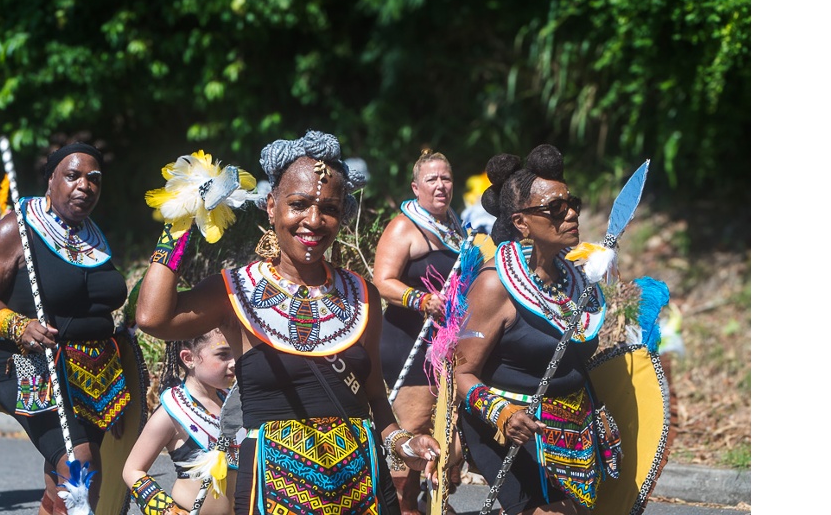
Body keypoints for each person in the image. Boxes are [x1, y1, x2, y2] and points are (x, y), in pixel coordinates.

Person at [136, 130, 441, 515]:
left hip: (361, 485)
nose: (313, 221)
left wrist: (402, 443)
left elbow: (374, 397)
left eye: (329, 208)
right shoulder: (236, 291)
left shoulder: (362, 295)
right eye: (298, 204)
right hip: (273, 488)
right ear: (271, 206)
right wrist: (178, 225)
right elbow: (153, 317)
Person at [0, 142, 133, 515]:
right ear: (51, 180)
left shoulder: (93, 237)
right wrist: (17, 324)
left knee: (62, 477)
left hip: (93, 374)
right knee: (81, 469)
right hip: (30, 366)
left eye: (94, 179)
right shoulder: (17, 229)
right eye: (72, 176)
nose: (84, 186)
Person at [454, 144, 612, 515]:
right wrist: (502, 414)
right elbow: (460, 370)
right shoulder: (495, 285)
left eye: (572, 202)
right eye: (555, 208)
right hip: (513, 430)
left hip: (574, 428)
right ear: (522, 222)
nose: (571, 213)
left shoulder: (578, 282)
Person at [372, 149, 465, 514]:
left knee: (448, 430)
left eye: (446, 178)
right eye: (432, 179)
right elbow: (382, 282)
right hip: (407, 344)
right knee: (411, 432)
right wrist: (420, 299)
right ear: (416, 186)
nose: (441, 186)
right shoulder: (403, 227)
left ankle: (431, 501)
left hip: (445, 349)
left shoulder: (456, 228)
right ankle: (402, 505)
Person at [123, 328, 238, 515]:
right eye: (223, 354)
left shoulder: (235, 404)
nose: (233, 362)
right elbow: (132, 470)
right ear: (188, 358)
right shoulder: (171, 413)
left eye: (235, 352)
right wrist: (165, 510)